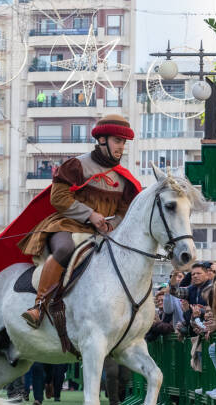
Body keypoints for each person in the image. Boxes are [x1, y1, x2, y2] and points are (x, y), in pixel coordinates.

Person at [18, 115, 141, 328]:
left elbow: (124, 211)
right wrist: (90, 215)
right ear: (102, 140)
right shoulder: (77, 165)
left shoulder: (125, 179)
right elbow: (58, 198)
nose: (122, 147)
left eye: (123, 142)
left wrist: (112, 225)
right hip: (66, 226)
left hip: (103, 234)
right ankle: (38, 306)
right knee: (65, 249)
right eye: (117, 141)